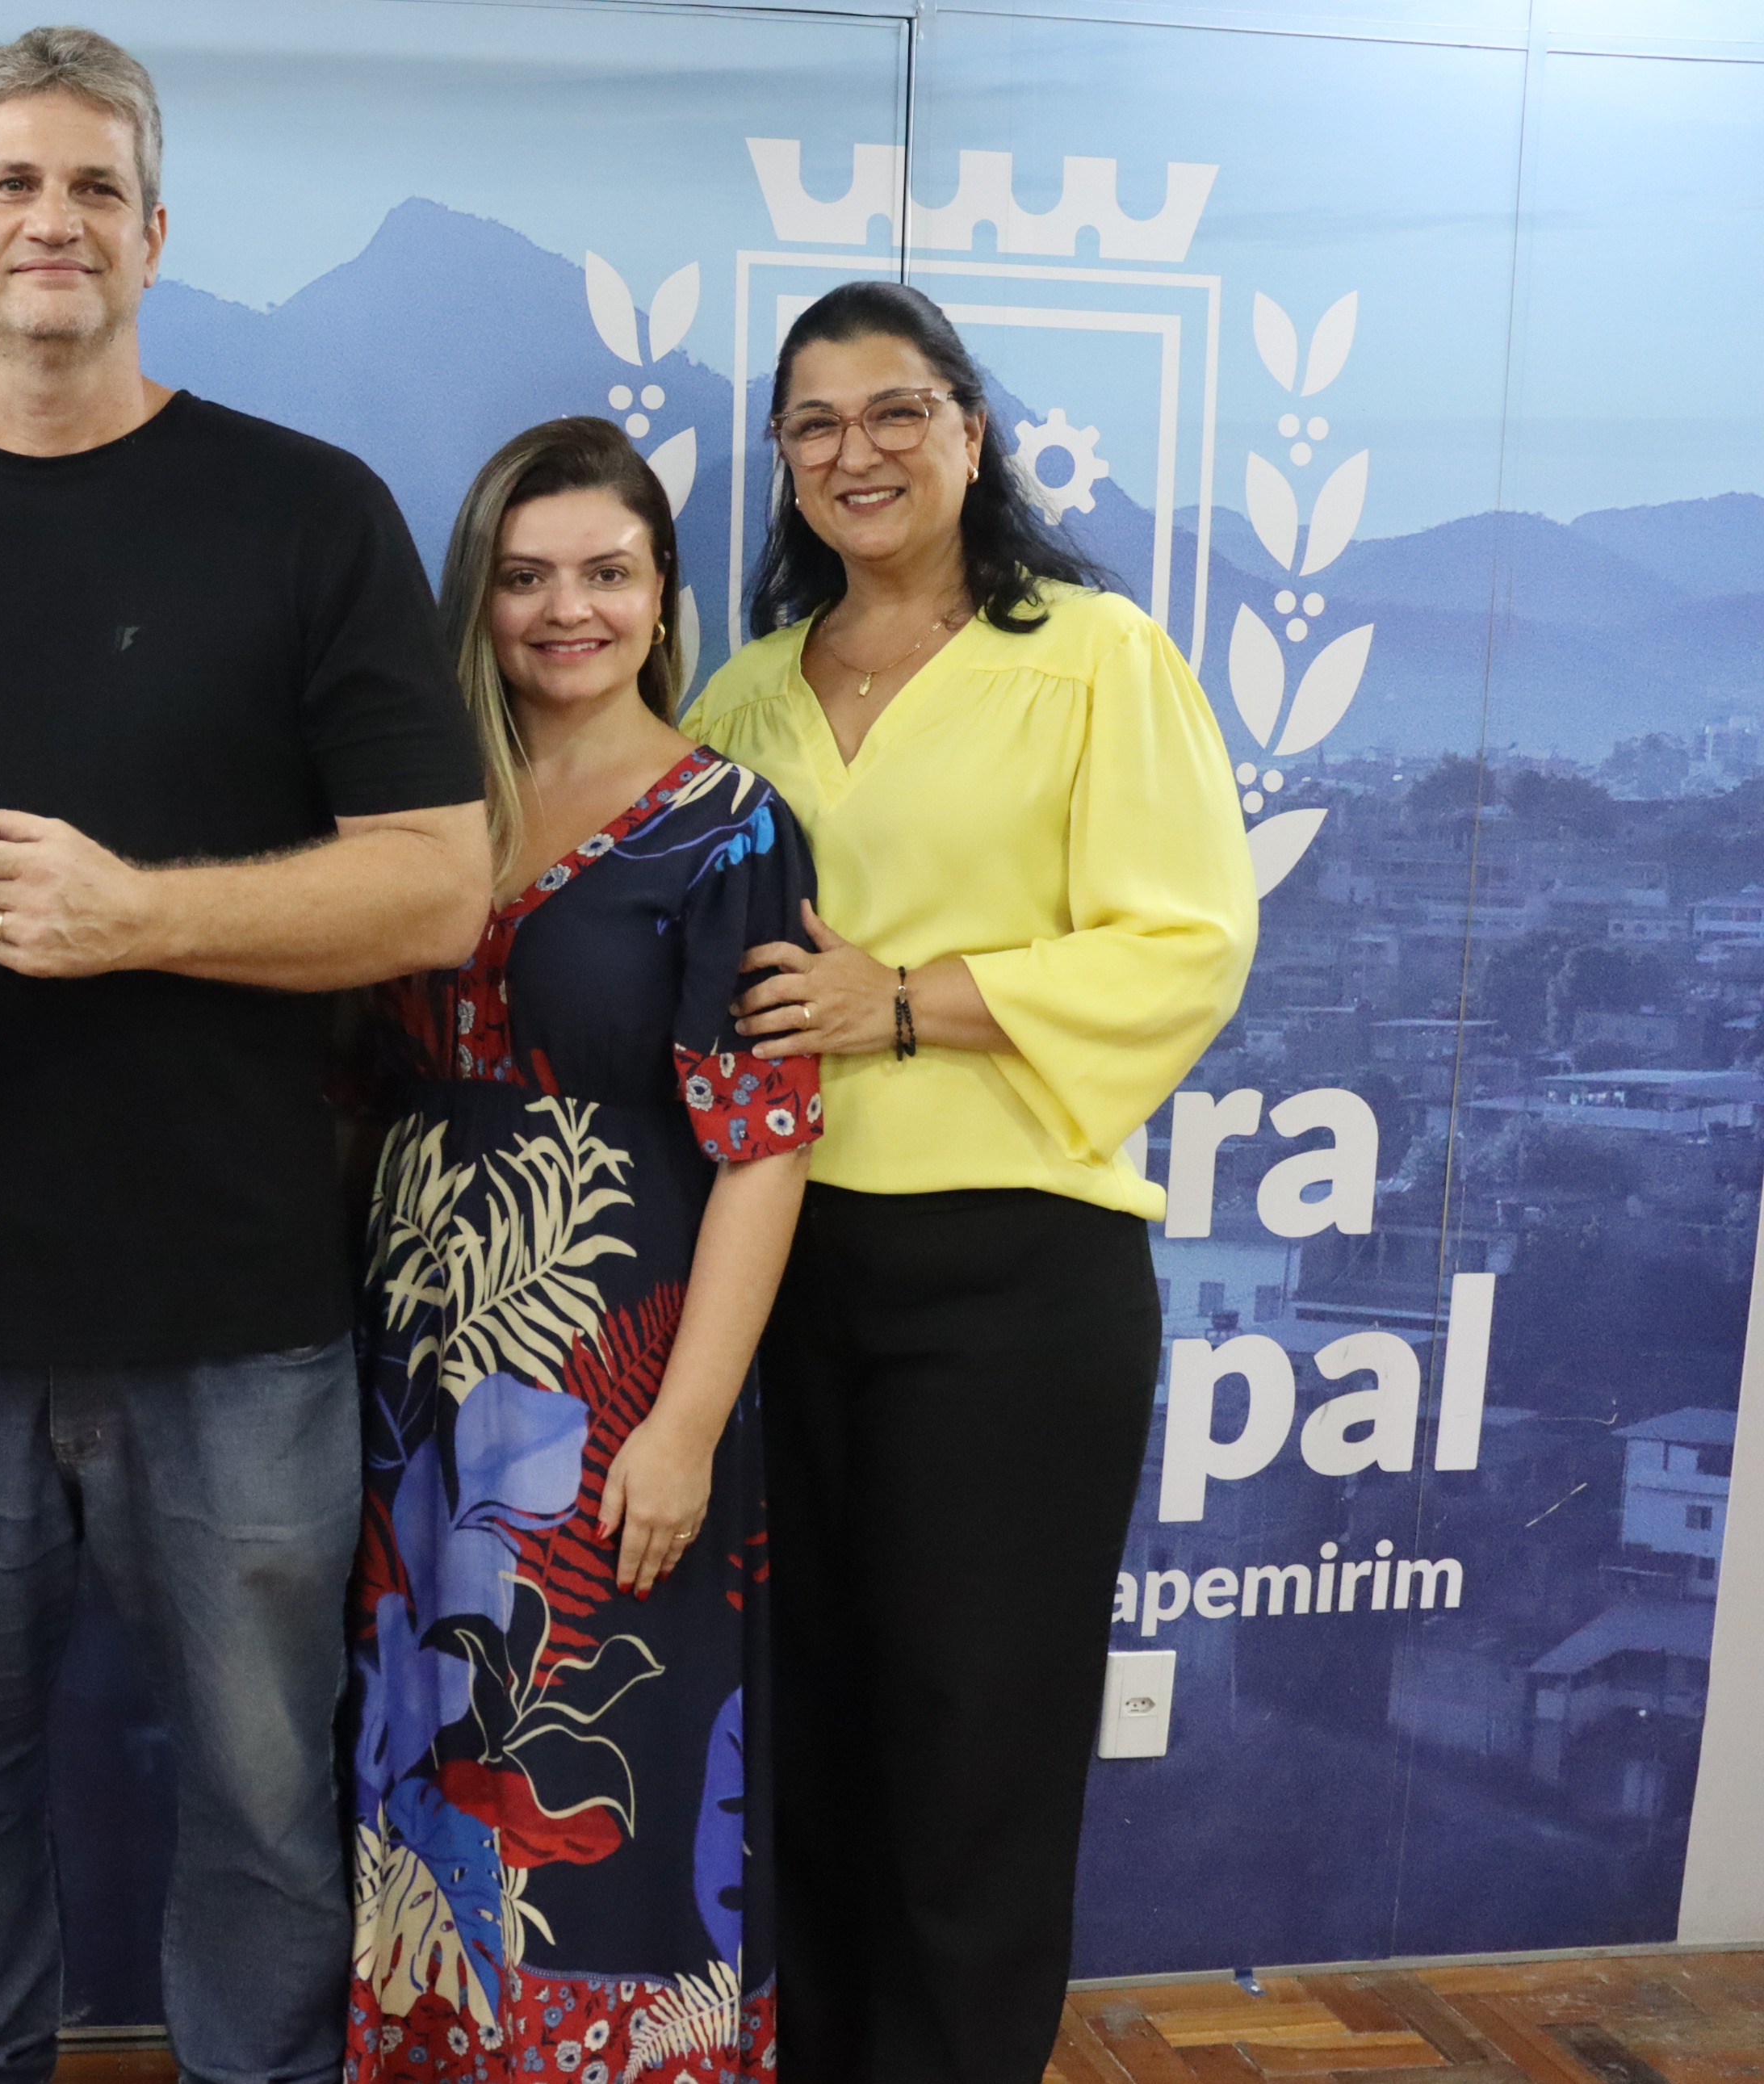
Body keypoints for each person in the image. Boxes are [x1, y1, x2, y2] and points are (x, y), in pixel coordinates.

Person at [0, 27, 489, 2084]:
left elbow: (436, 885)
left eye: (92, 188)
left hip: (234, 1307)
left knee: (264, 1802)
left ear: (154, 232)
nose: (51, 221)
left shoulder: (308, 511)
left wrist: (137, 912)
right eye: (13, 185)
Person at [683, 279, 1256, 2084]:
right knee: (803, 1740)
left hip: (1012, 1274)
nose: (854, 451)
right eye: (814, 423)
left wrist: (907, 1003)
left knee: (974, 1752)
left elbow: (1187, 942)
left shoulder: (1092, 655)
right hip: (774, 1265)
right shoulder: (743, 691)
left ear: (971, 431)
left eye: (895, 412)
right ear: (783, 462)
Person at [346, 417, 815, 2080]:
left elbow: (766, 1144)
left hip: (613, 1382)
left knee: (606, 1766)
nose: (567, 611)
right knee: (429, 1757)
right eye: (526, 576)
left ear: (663, 593)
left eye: (606, 573)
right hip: (411, 1382)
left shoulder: (730, 828)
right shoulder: (420, 816)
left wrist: (684, 1423)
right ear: (474, 597)